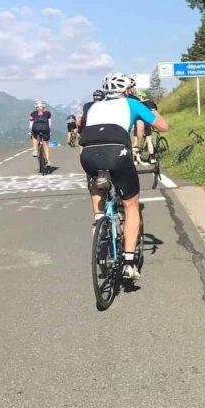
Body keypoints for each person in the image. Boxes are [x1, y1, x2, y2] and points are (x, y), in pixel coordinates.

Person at [80, 73, 169, 280]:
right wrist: (150, 111)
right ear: (127, 90)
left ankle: (99, 219)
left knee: (95, 181)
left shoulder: (92, 106)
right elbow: (163, 126)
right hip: (117, 153)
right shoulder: (132, 103)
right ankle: (129, 263)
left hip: (89, 154)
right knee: (131, 205)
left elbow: (84, 128)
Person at [133, 92, 159, 164]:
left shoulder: (137, 103)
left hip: (138, 123)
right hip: (147, 123)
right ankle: (152, 158)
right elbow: (155, 110)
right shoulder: (150, 102)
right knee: (149, 141)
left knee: (137, 141)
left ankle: (135, 159)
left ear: (140, 96)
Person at [29, 101, 52, 167]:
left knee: (34, 136)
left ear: (36, 107)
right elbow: (50, 124)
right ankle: (47, 161)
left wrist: (32, 131)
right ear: (44, 107)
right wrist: (49, 131)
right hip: (45, 128)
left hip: (35, 128)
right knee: (46, 145)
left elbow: (31, 125)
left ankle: (35, 150)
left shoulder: (33, 113)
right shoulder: (48, 113)